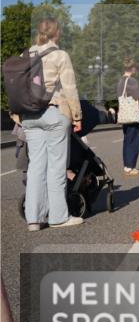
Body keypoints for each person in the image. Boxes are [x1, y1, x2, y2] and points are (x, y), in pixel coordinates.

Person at [19, 18, 84, 230]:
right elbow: (69, 89)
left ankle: (34, 219)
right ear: (57, 33)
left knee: (36, 167)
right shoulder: (60, 55)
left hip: (29, 116)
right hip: (52, 112)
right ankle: (58, 217)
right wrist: (77, 115)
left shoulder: (25, 55)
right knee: (56, 167)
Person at [116, 58, 139, 176]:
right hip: (132, 116)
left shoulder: (120, 82)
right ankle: (131, 166)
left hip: (124, 115)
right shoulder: (131, 81)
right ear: (132, 68)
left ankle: (127, 166)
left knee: (127, 140)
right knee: (134, 141)